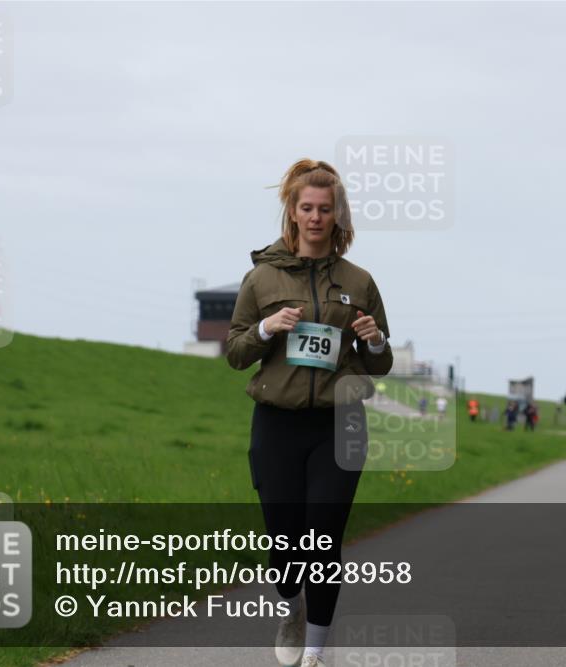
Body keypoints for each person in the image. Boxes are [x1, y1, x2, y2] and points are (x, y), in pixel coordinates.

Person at [225, 159, 393, 667]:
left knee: (323, 537)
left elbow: (379, 363)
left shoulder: (359, 281)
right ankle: (290, 606)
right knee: (284, 543)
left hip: (339, 424)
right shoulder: (262, 278)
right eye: (307, 208)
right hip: (277, 424)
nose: (316, 217)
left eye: (325, 209)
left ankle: (316, 652)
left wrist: (375, 340)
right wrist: (266, 328)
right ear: (293, 212)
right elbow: (235, 353)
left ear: (338, 215)